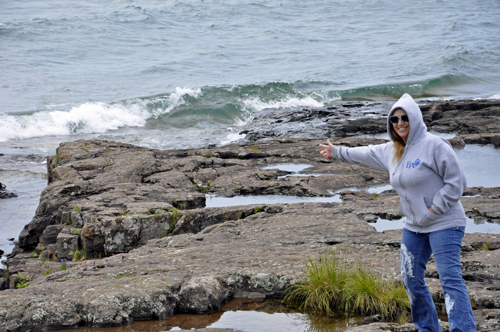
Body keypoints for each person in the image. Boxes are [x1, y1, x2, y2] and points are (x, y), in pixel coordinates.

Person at [319, 93, 476, 332]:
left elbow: (457, 182)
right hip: (414, 226)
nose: (400, 123)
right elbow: (366, 153)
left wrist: (434, 209)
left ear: (415, 118)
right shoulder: (392, 150)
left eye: (405, 118)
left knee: (450, 281)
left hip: (445, 222)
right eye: (394, 119)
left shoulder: (434, 145)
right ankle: (427, 328)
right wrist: (337, 152)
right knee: (410, 278)